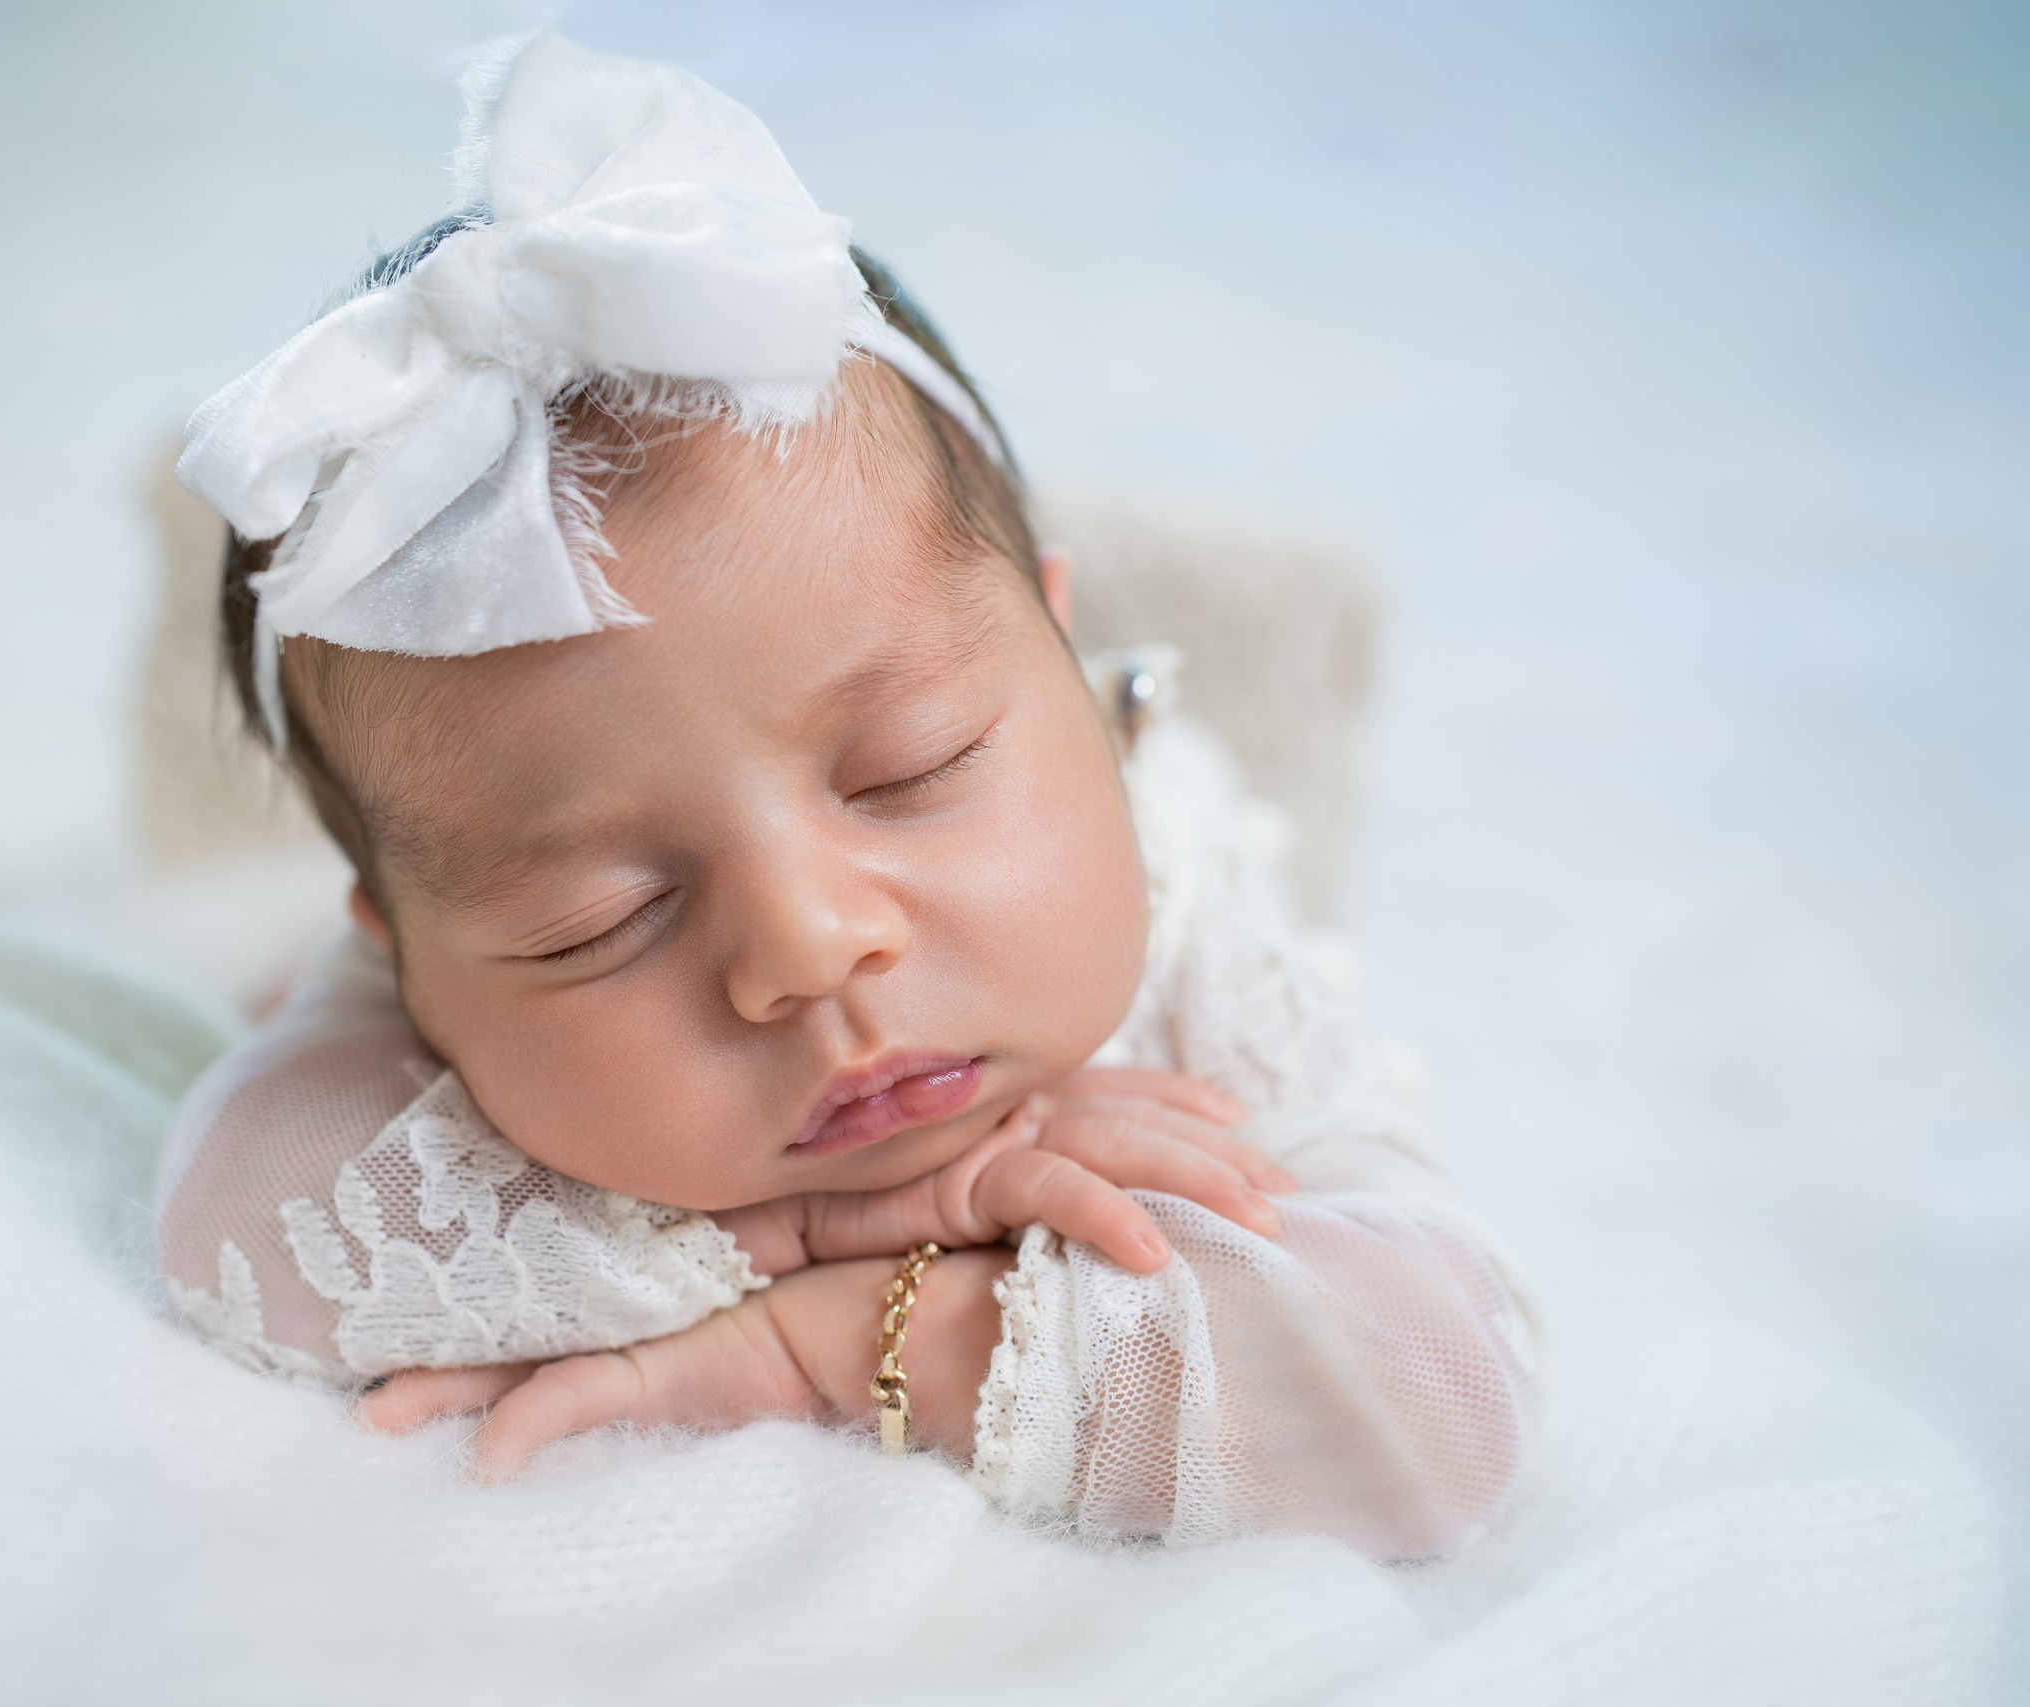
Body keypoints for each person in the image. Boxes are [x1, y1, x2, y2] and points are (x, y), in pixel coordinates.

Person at [155, 30, 1542, 1557]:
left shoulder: (1186, 883)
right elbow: (235, 1224)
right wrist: (819, 1227)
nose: (808, 947)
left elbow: (1449, 1386)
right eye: (601, 919)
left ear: (1064, 669)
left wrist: (860, 1338)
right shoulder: (414, 967)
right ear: (408, 952)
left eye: (914, 769)